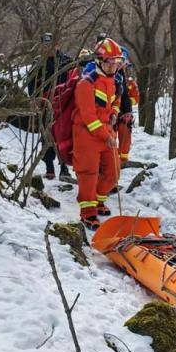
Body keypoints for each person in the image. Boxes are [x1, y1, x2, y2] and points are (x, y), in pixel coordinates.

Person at [71, 37, 123, 230]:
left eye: (117, 62)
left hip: (106, 132)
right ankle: (88, 212)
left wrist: (115, 113)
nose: (114, 66)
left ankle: (98, 200)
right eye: (110, 62)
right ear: (99, 61)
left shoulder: (114, 80)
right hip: (86, 134)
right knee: (88, 173)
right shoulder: (86, 83)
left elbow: (116, 100)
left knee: (113, 172)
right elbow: (88, 116)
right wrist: (106, 136)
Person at [26, 32, 72, 180]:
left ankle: (64, 167)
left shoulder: (66, 61)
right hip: (46, 104)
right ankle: (49, 166)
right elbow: (31, 83)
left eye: (51, 45)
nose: (48, 48)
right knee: (47, 134)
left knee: (64, 134)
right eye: (45, 45)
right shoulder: (38, 62)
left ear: (57, 45)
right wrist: (34, 98)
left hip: (63, 104)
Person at [49, 48, 95, 182]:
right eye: (82, 61)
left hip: (88, 116)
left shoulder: (95, 74)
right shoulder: (72, 72)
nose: (85, 64)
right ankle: (65, 169)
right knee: (67, 142)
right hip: (72, 115)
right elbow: (64, 89)